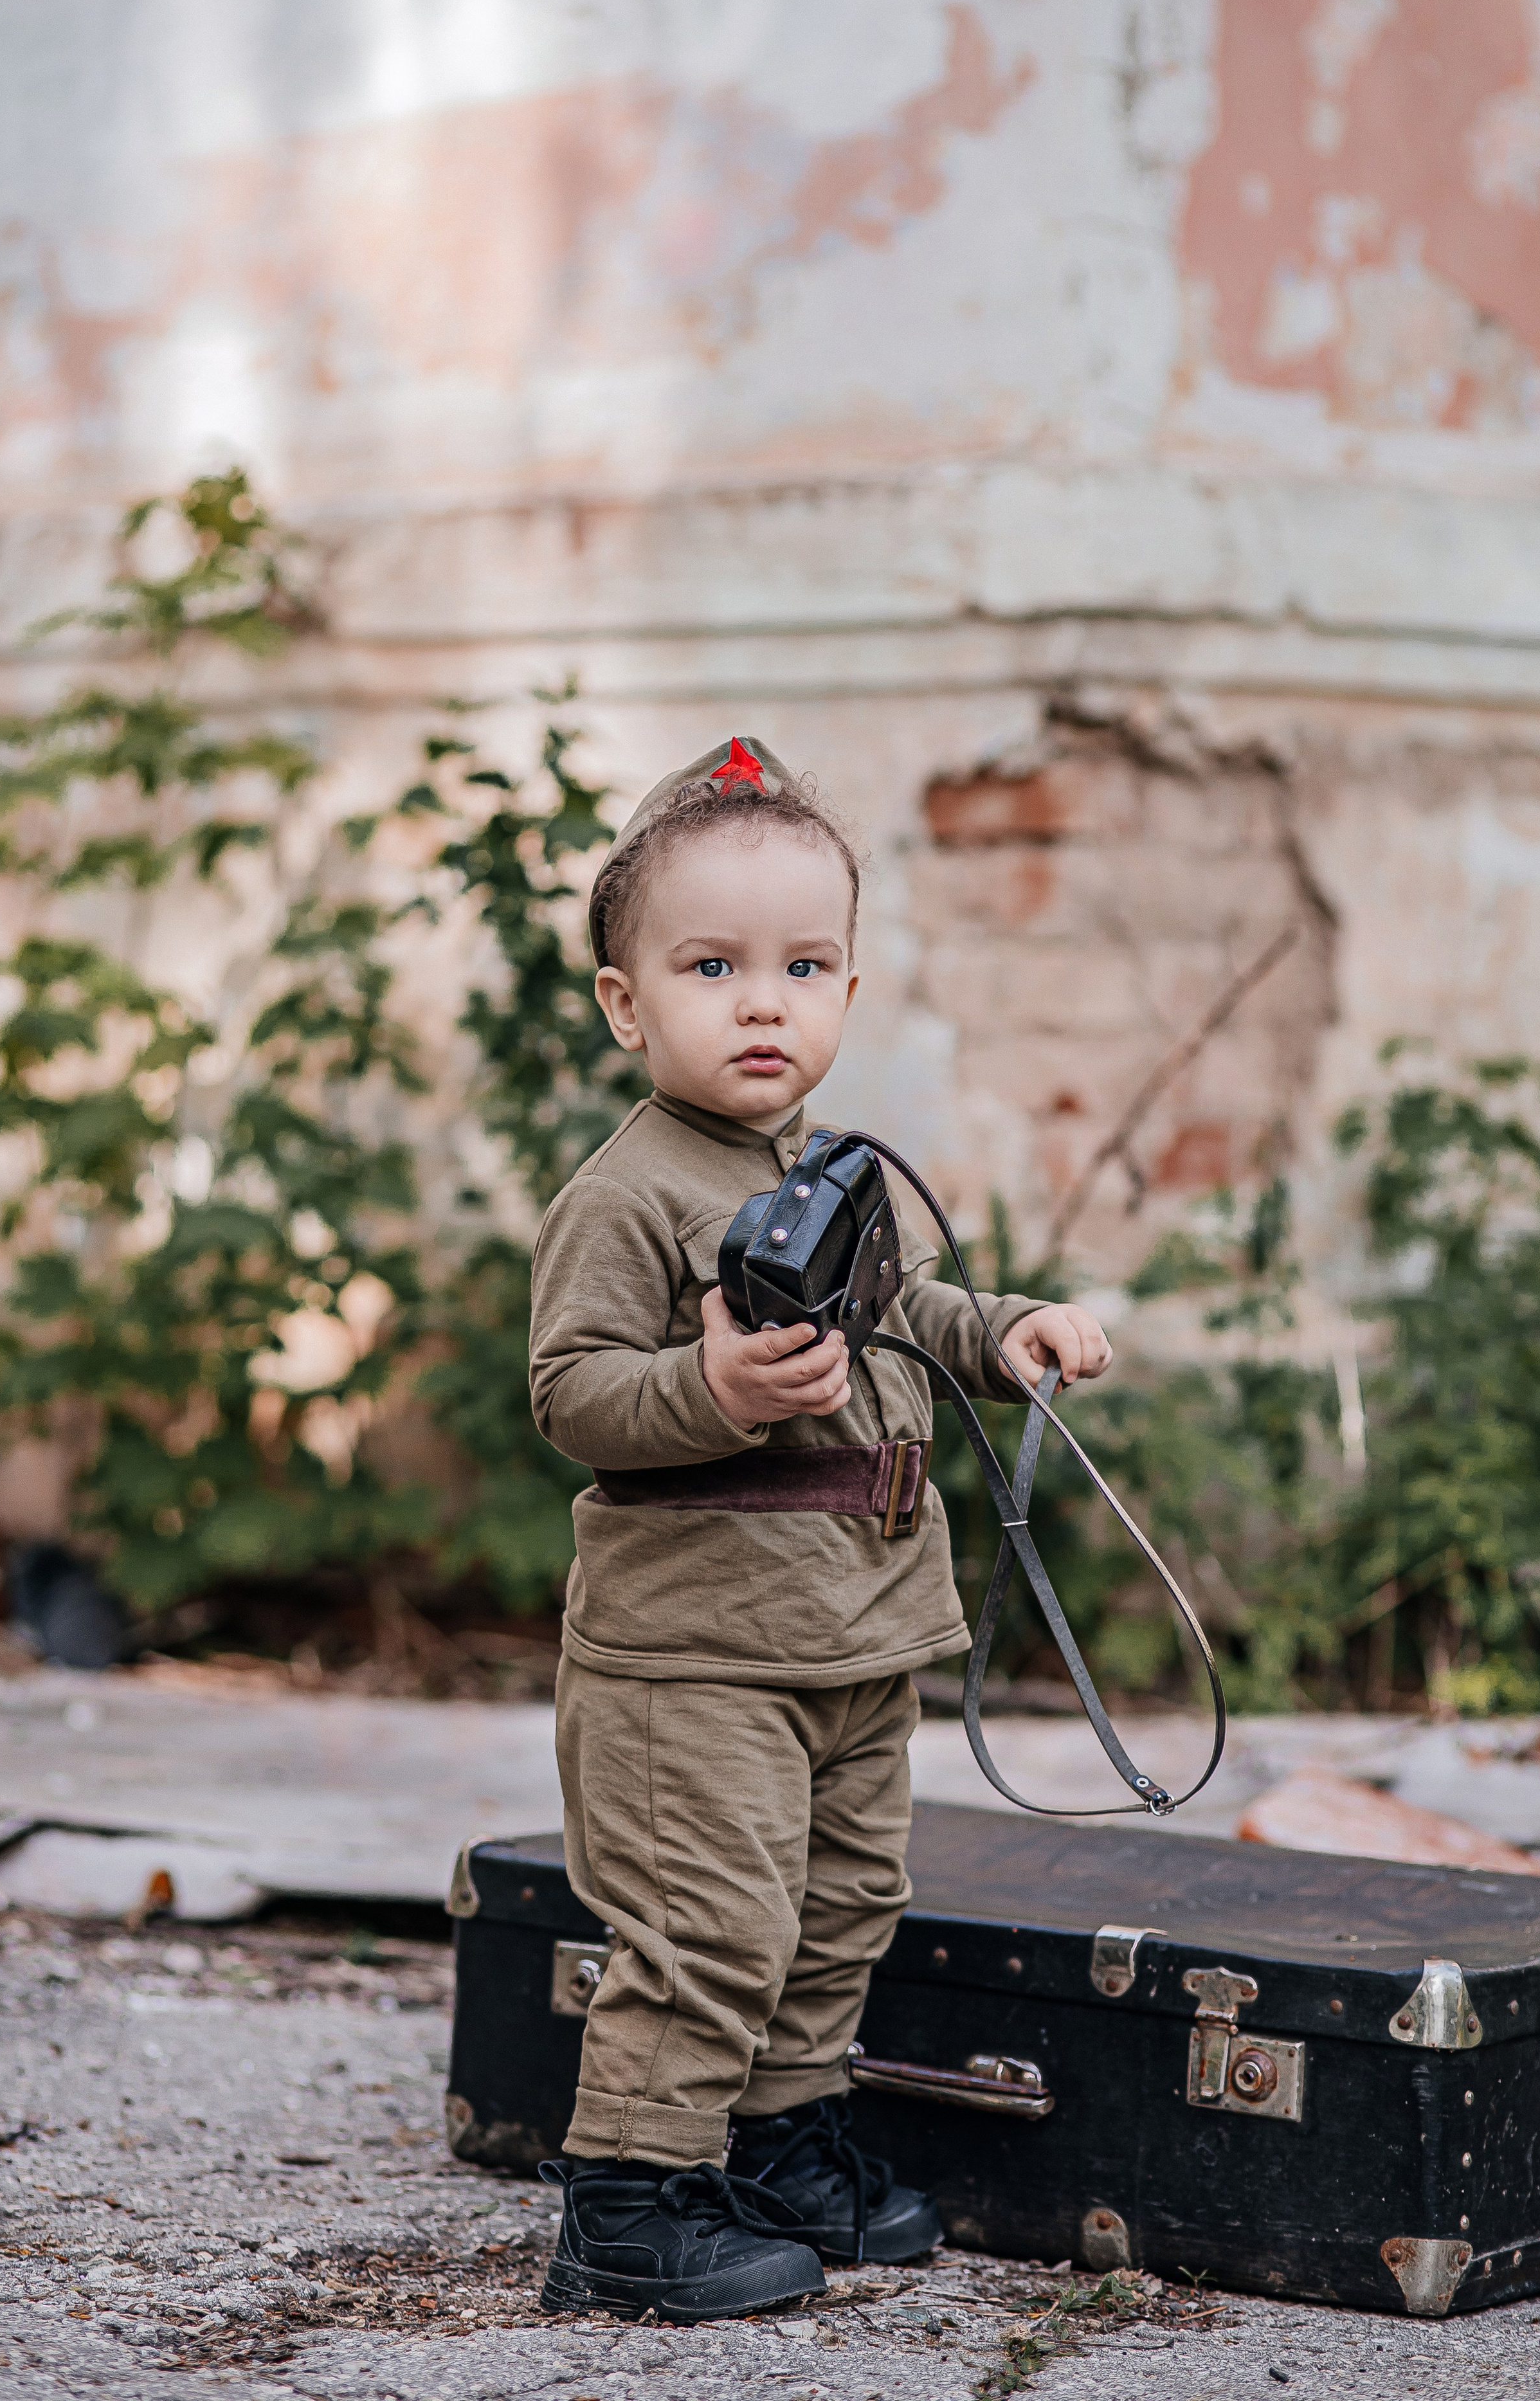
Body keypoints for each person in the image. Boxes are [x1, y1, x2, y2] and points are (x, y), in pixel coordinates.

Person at [529, 736, 1112, 2322]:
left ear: (850, 988)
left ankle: (779, 2145)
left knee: (840, 1905)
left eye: (803, 965)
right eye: (712, 967)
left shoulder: (833, 1172)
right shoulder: (629, 1192)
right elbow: (573, 1394)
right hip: (693, 1652)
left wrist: (997, 1333)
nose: (763, 1002)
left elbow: (902, 1308)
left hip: (855, 1633)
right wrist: (710, 1386)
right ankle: (628, 2204)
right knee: (709, 1920)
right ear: (626, 1003)